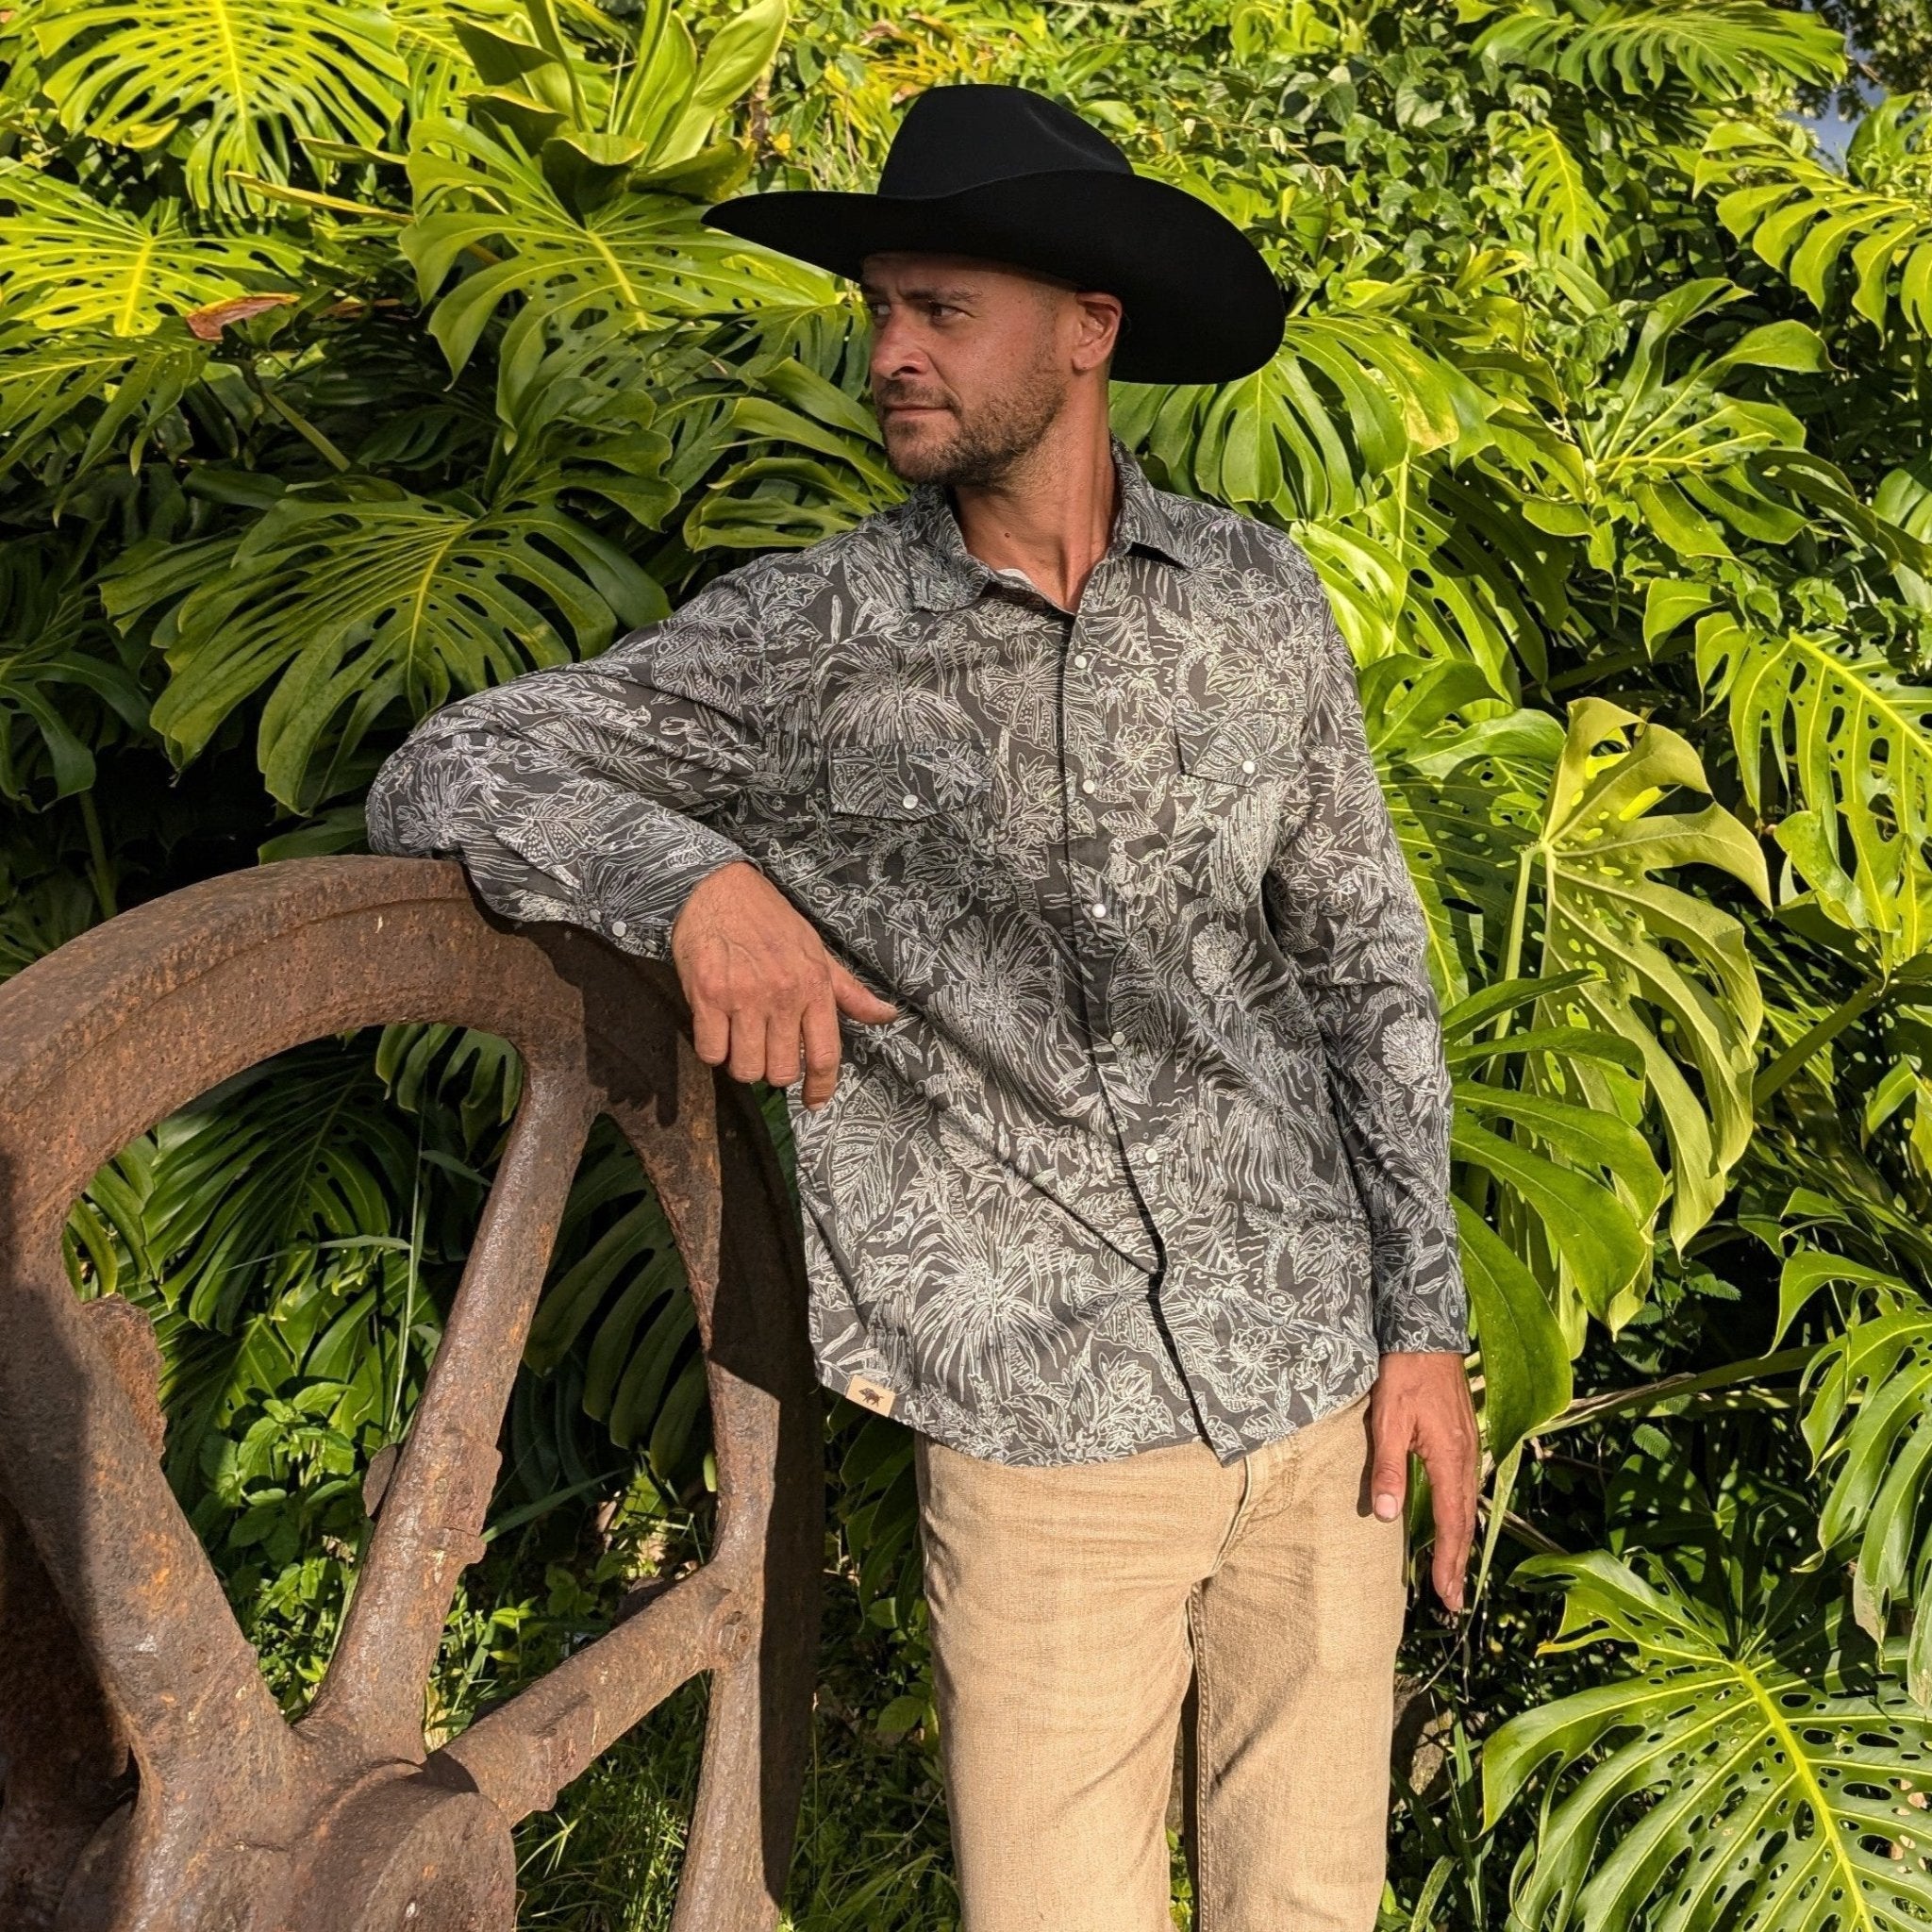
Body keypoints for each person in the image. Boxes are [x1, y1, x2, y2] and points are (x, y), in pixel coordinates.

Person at [368, 82, 1478, 1932]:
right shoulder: (811, 643)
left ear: (1087, 327)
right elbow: (451, 763)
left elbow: (1365, 969)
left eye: (938, 308)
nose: (887, 354)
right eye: (875, 306)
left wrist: (1419, 1330)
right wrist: (696, 883)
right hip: (1048, 1451)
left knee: (1313, 1908)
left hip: (1312, 1405)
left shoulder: (1255, 601)